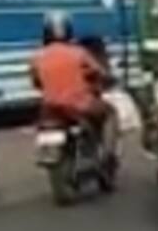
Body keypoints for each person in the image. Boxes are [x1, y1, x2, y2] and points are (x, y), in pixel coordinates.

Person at [29, 13, 113, 153]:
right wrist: (107, 78)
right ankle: (103, 151)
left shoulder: (37, 57)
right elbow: (99, 72)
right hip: (79, 105)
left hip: (50, 108)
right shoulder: (79, 53)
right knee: (108, 111)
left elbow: (36, 82)